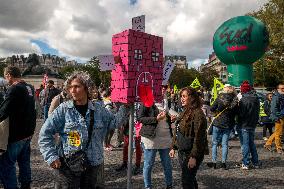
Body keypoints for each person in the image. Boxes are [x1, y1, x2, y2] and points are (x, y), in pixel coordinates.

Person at [38, 71, 127, 188]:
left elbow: (114, 123)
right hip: (68, 165)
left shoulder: (98, 109)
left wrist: (126, 106)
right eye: (70, 87)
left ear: (86, 88)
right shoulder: (63, 110)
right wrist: (51, 156)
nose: (72, 90)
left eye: (77, 87)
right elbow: (45, 134)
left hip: (93, 164)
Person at [0, 66, 36, 189]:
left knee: (7, 165)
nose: (6, 79)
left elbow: (3, 111)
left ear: (9, 75)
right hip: (28, 133)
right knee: (24, 162)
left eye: (6, 76)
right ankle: (26, 185)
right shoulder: (29, 87)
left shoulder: (14, 89)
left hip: (16, 134)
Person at [169, 87, 208, 189]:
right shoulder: (185, 111)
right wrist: (173, 146)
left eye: (184, 96)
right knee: (190, 178)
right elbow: (178, 130)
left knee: (187, 181)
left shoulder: (198, 114)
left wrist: (193, 157)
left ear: (192, 98)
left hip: (191, 152)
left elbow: (199, 138)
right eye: (181, 96)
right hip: (183, 151)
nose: (181, 98)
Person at [138, 91, 173, 189]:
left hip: (165, 137)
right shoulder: (147, 99)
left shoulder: (166, 100)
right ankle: (148, 186)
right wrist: (155, 119)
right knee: (148, 164)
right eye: (161, 87)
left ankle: (169, 185)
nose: (163, 89)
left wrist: (172, 118)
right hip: (151, 138)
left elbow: (167, 117)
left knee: (167, 164)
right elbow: (140, 118)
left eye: (165, 87)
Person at [207, 84, 238, 170]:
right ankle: (224, 163)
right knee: (225, 144)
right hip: (228, 124)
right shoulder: (235, 99)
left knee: (214, 144)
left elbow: (212, 108)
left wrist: (217, 111)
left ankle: (214, 162)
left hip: (218, 122)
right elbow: (236, 112)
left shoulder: (220, 97)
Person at [238, 81, 260, 170]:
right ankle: (255, 162)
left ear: (243, 90)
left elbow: (241, 114)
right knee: (251, 143)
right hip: (253, 123)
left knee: (246, 144)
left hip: (245, 124)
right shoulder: (256, 98)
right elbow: (257, 111)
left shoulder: (243, 99)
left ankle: (245, 163)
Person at [264, 82, 284, 154]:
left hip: (282, 116)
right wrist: (277, 116)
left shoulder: (281, 96)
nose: (283, 89)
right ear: (278, 89)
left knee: (277, 131)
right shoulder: (276, 97)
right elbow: (273, 108)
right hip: (279, 117)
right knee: (279, 133)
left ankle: (268, 144)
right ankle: (279, 148)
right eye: (282, 88)